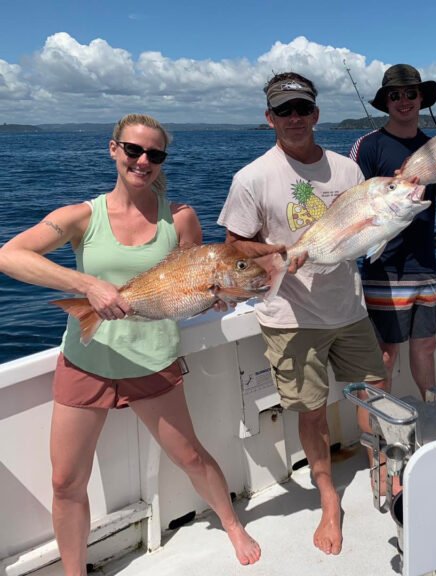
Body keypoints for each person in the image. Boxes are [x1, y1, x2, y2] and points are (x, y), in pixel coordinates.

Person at [0, 114, 261, 575]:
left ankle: (231, 523)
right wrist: (89, 286)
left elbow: (193, 284)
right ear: (113, 149)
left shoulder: (180, 218)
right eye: (133, 150)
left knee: (190, 456)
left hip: (153, 362)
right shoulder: (81, 216)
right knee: (65, 481)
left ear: (162, 161)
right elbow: (10, 256)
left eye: (154, 154)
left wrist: (214, 300)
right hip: (86, 362)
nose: (143, 161)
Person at [217, 72, 387, 556]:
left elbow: (365, 228)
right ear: (269, 117)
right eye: (283, 111)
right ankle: (329, 500)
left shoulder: (347, 171)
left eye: (302, 109)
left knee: (374, 395)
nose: (294, 119)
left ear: (316, 114)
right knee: (312, 413)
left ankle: (384, 474)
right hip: (290, 317)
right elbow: (234, 246)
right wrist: (278, 252)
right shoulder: (251, 177)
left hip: (348, 309)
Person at [349, 64, 436, 399]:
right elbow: (353, 204)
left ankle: (432, 415)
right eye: (395, 95)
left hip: (426, 265)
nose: (404, 101)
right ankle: (379, 439)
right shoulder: (368, 147)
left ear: (421, 99)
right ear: (385, 101)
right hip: (384, 267)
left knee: (427, 346)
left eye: (410, 93)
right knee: (385, 353)